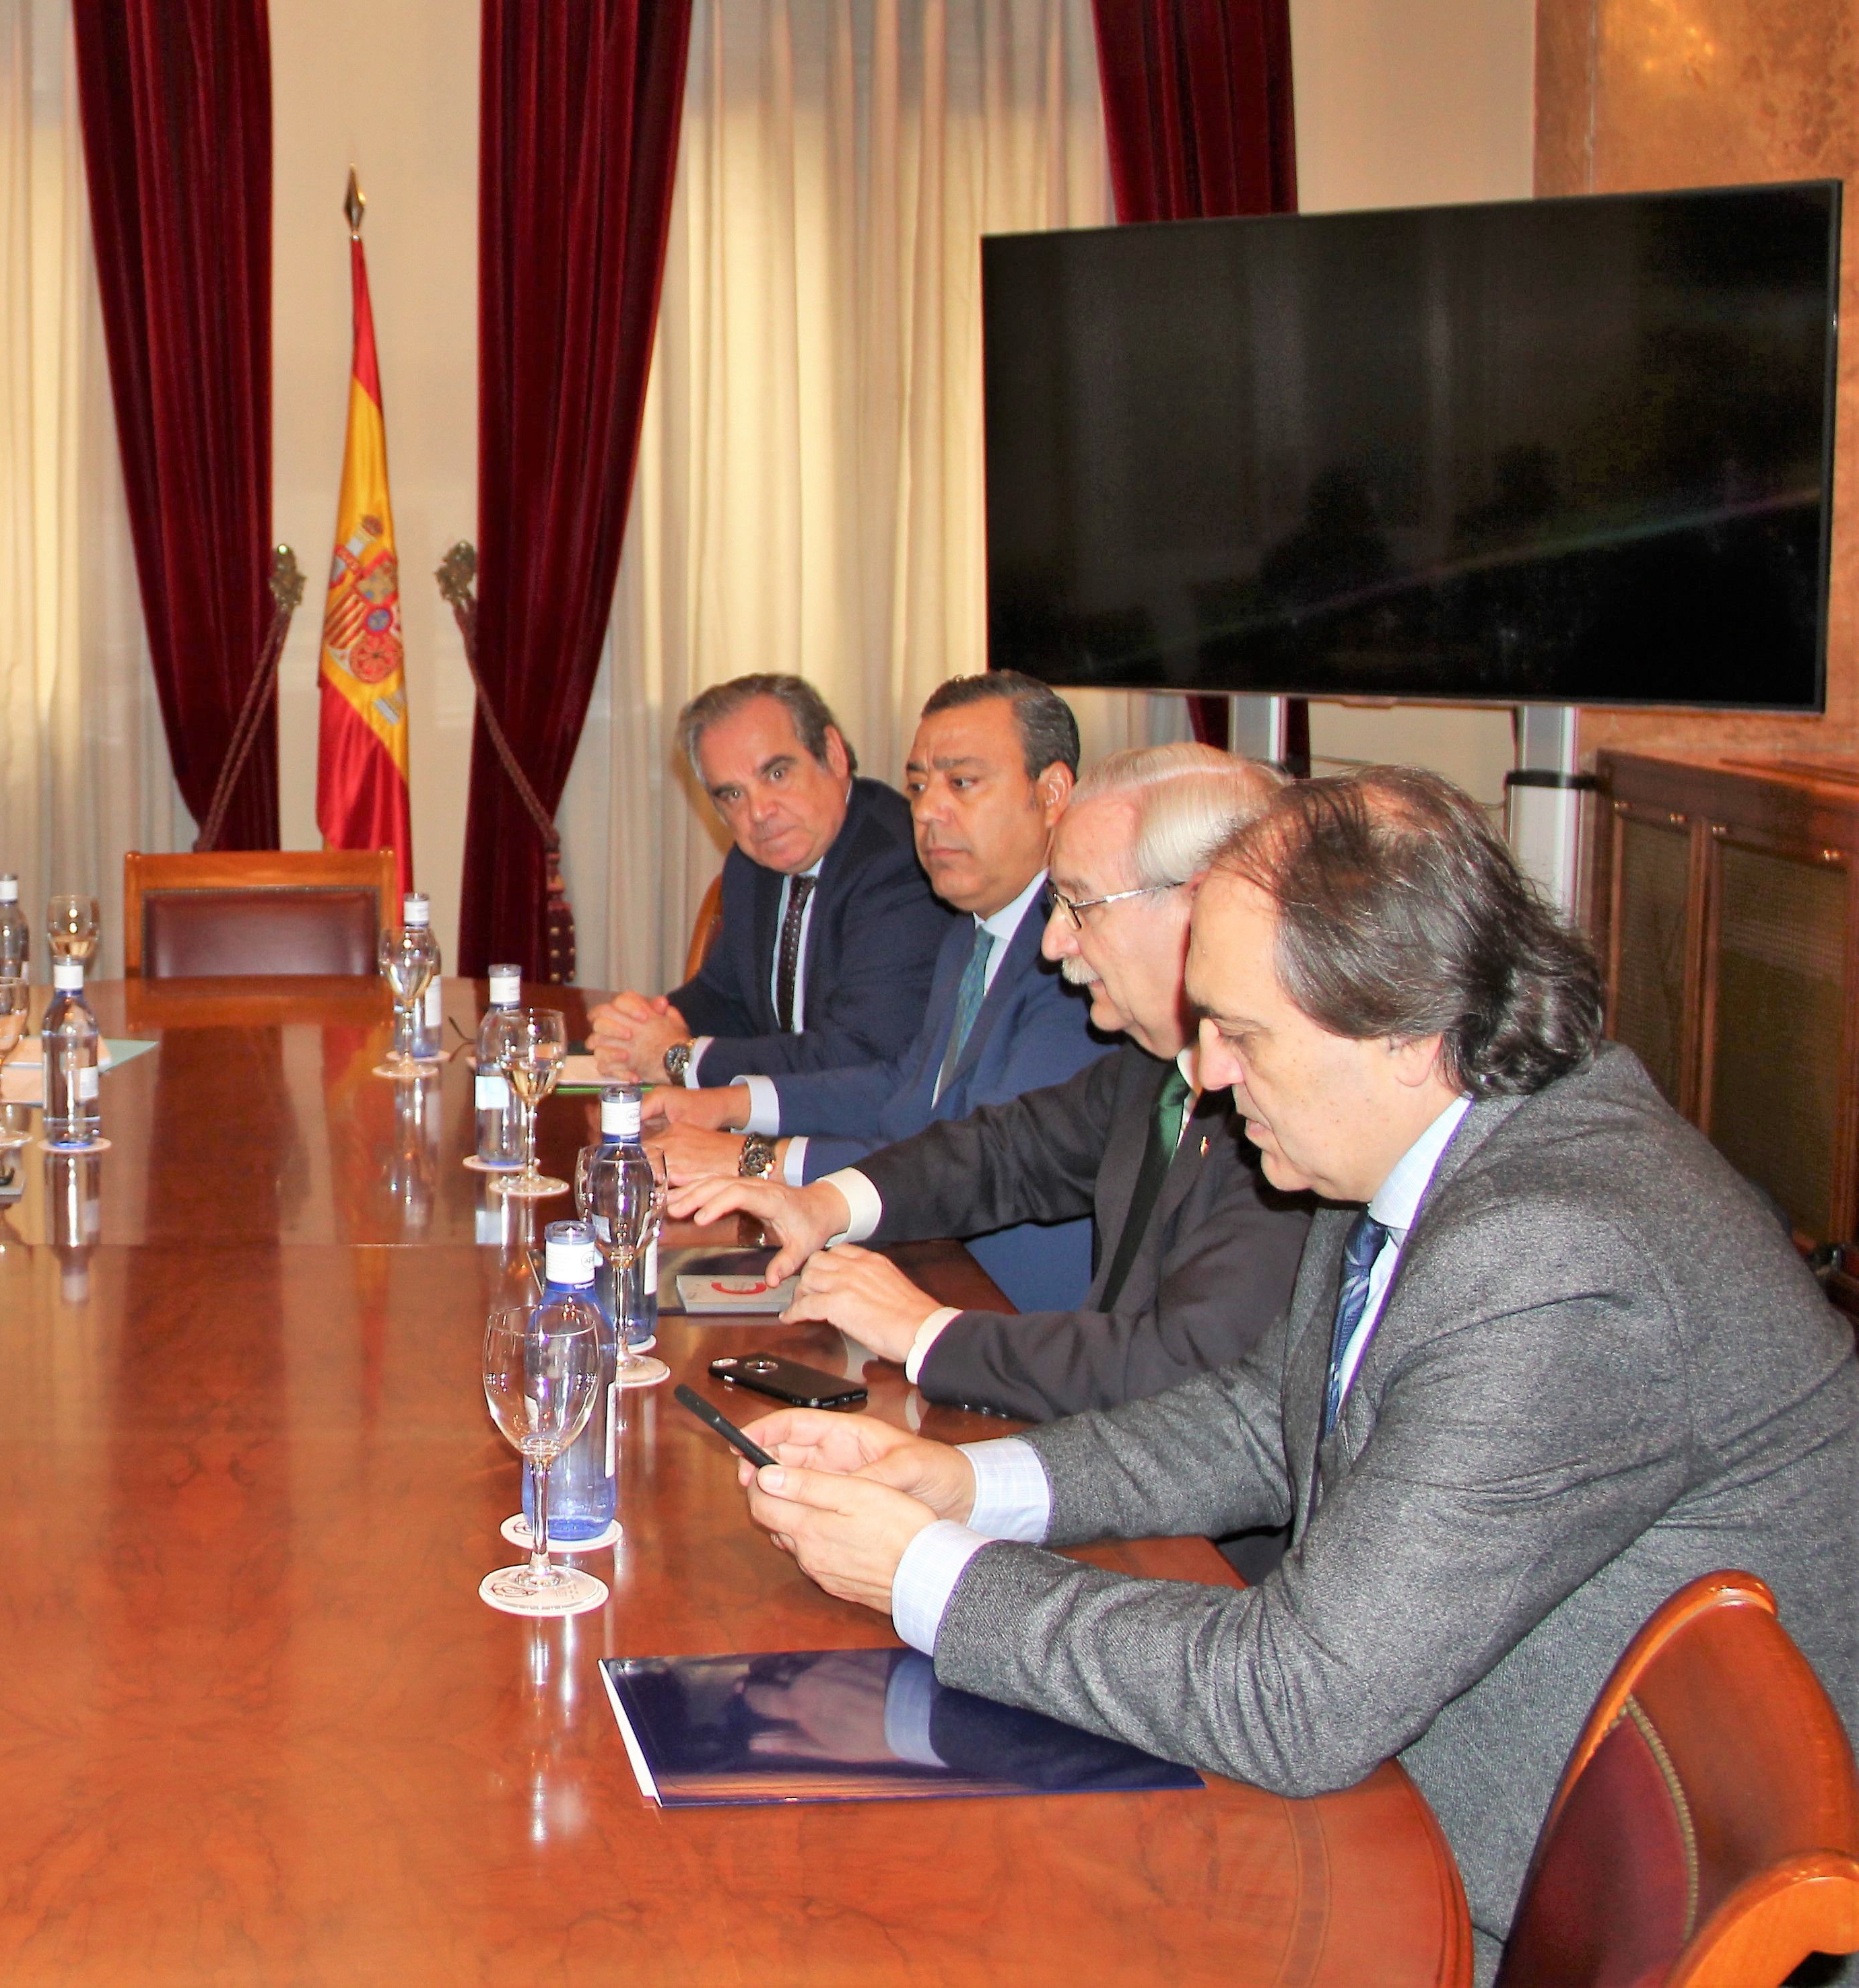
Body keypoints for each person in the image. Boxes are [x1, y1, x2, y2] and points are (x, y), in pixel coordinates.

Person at [725, 768, 1859, 1967]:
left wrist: (924, 1576)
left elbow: (1295, 1700)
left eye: (1240, 1031)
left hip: (1499, 1894)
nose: (1202, 1073)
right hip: (1411, 1769)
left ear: (1404, 1030)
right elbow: (1264, 1413)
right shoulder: (1425, 1139)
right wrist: (963, 1489)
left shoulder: (1560, 1254)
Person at [671, 743, 1310, 1423]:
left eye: (1080, 906)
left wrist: (924, 1330)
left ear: (1199, 903)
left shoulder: (1285, 1115)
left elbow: (1178, 1367)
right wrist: (826, 1203)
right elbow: (1005, 1152)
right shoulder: (1153, 1066)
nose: (1053, 942)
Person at [649, 673, 1115, 1311]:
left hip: (1003, 1311)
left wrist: (756, 1159)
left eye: (961, 783)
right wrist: (733, 1108)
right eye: (918, 785)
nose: (926, 811)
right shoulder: (970, 930)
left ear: (1052, 792)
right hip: (916, 1265)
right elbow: (901, 1088)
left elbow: (975, 1159)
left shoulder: (1080, 956)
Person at [587, 674, 949, 1092]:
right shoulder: (751, 863)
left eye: (776, 774)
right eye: (733, 795)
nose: (759, 812)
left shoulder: (899, 864)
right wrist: (651, 1025)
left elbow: (858, 1055)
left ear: (832, 755)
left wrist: (679, 1057)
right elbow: (726, 996)